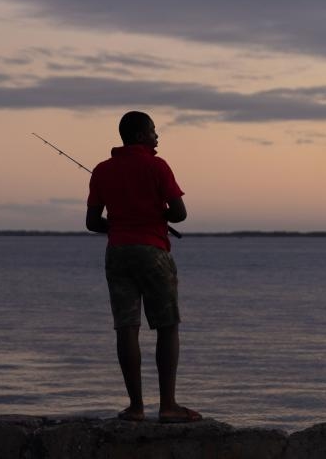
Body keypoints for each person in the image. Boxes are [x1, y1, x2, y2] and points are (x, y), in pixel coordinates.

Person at [85, 111, 201, 423]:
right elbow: (179, 214)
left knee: (126, 327)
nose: (157, 136)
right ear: (139, 135)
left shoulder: (102, 170)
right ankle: (168, 406)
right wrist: (157, 215)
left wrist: (122, 223)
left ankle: (135, 408)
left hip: (118, 252)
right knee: (166, 326)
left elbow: (92, 222)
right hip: (152, 251)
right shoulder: (157, 166)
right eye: (152, 131)